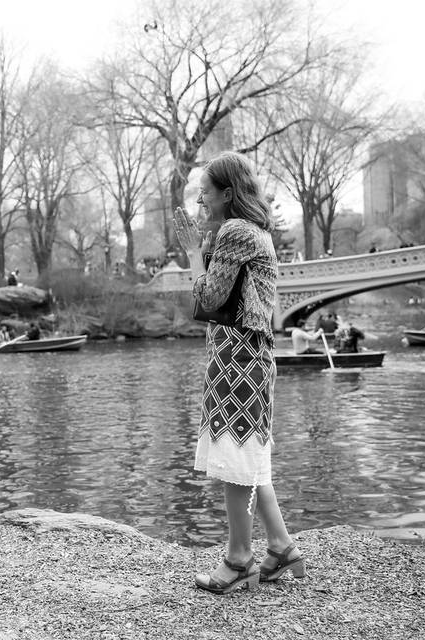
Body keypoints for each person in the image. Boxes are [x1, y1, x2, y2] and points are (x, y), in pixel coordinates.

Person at [173, 151, 302, 595]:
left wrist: (192, 252)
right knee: (250, 462)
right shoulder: (252, 232)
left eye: (205, 193)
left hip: (239, 361)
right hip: (248, 357)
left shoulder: (235, 231)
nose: (200, 202)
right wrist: (204, 243)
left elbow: (209, 298)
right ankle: (282, 547)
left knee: (234, 464)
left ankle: (239, 560)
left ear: (227, 193)